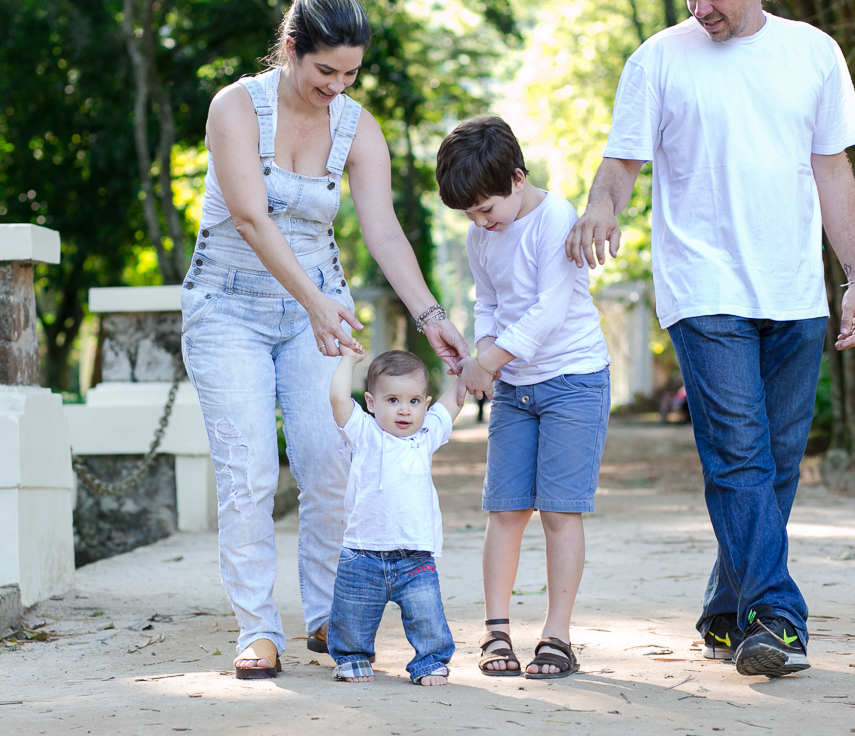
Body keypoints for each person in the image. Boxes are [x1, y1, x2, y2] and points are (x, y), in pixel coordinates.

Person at [566, 0, 855, 677]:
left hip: (794, 289)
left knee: (779, 463)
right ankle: (778, 619)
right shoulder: (657, 59)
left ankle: (725, 613)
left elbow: (831, 169)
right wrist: (599, 206)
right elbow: (621, 163)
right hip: (703, 288)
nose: (700, 8)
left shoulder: (814, 52)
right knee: (740, 456)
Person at [181, 0, 469, 680]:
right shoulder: (235, 108)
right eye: (325, 70)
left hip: (319, 310)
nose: (338, 86)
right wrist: (313, 303)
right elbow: (250, 217)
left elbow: (383, 230)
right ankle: (257, 628)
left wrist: (433, 319)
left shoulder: (356, 127)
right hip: (229, 307)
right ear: (290, 47)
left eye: (351, 73)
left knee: (330, 463)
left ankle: (325, 612)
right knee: (249, 470)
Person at [437, 115, 611, 679]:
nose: (480, 222)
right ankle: (495, 633)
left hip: (573, 381)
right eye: (469, 215)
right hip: (515, 388)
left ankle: (557, 634)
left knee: (561, 511)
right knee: (505, 509)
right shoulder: (480, 234)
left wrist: (484, 362)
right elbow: (487, 302)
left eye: (486, 209)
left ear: (516, 178)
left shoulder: (554, 218)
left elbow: (548, 311)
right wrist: (482, 349)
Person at [327, 347, 465, 685]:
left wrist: (464, 371)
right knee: (352, 616)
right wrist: (348, 358)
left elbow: (454, 402)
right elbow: (338, 399)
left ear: (425, 403)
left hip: (415, 556)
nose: (404, 410)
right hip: (363, 554)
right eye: (392, 400)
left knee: (427, 616)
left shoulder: (426, 435)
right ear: (372, 403)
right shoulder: (365, 433)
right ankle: (352, 656)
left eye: (414, 401)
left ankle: (430, 661)